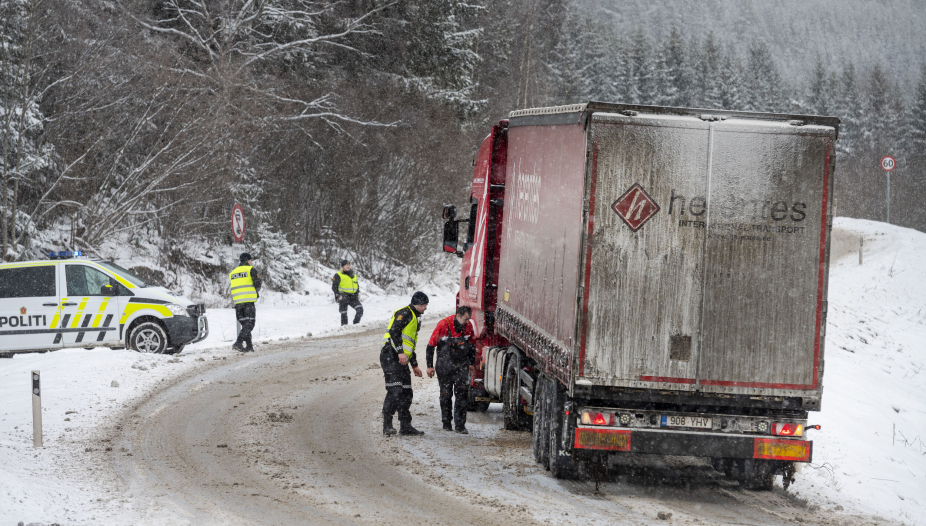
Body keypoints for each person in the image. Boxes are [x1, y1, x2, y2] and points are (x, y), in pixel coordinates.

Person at [380, 291, 429, 436]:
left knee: (407, 392)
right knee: (395, 391)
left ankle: (405, 426)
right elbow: (394, 332)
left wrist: (414, 365)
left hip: (401, 358)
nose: (426, 308)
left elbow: (410, 345)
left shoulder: (415, 317)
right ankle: (387, 425)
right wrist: (400, 352)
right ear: (417, 304)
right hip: (390, 355)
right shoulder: (404, 313)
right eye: (424, 305)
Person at [425, 306, 476, 434]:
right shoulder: (443, 325)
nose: (467, 322)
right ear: (458, 316)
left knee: (462, 396)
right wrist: (429, 366)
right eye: (465, 319)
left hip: (461, 367)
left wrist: (472, 364)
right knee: (445, 396)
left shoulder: (468, 326)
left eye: (468, 319)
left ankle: (460, 425)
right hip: (444, 367)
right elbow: (430, 346)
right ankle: (446, 423)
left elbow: (472, 346)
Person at [229, 253, 261, 352]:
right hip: (248, 301)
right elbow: (258, 283)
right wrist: (256, 292)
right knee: (250, 324)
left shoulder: (233, 272)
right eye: (250, 260)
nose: (251, 262)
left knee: (245, 324)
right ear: (247, 260)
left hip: (238, 303)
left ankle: (249, 346)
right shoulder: (250, 269)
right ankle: (238, 343)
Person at [331, 260, 363, 326]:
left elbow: (356, 285)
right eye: (346, 265)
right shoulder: (338, 275)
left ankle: (356, 325)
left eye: (349, 265)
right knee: (344, 314)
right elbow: (334, 287)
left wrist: (357, 294)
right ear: (343, 266)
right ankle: (345, 328)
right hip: (343, 296)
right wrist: (338, 295)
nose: (348, 266)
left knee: (360, 310)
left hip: (353, 297)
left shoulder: (353, 275)